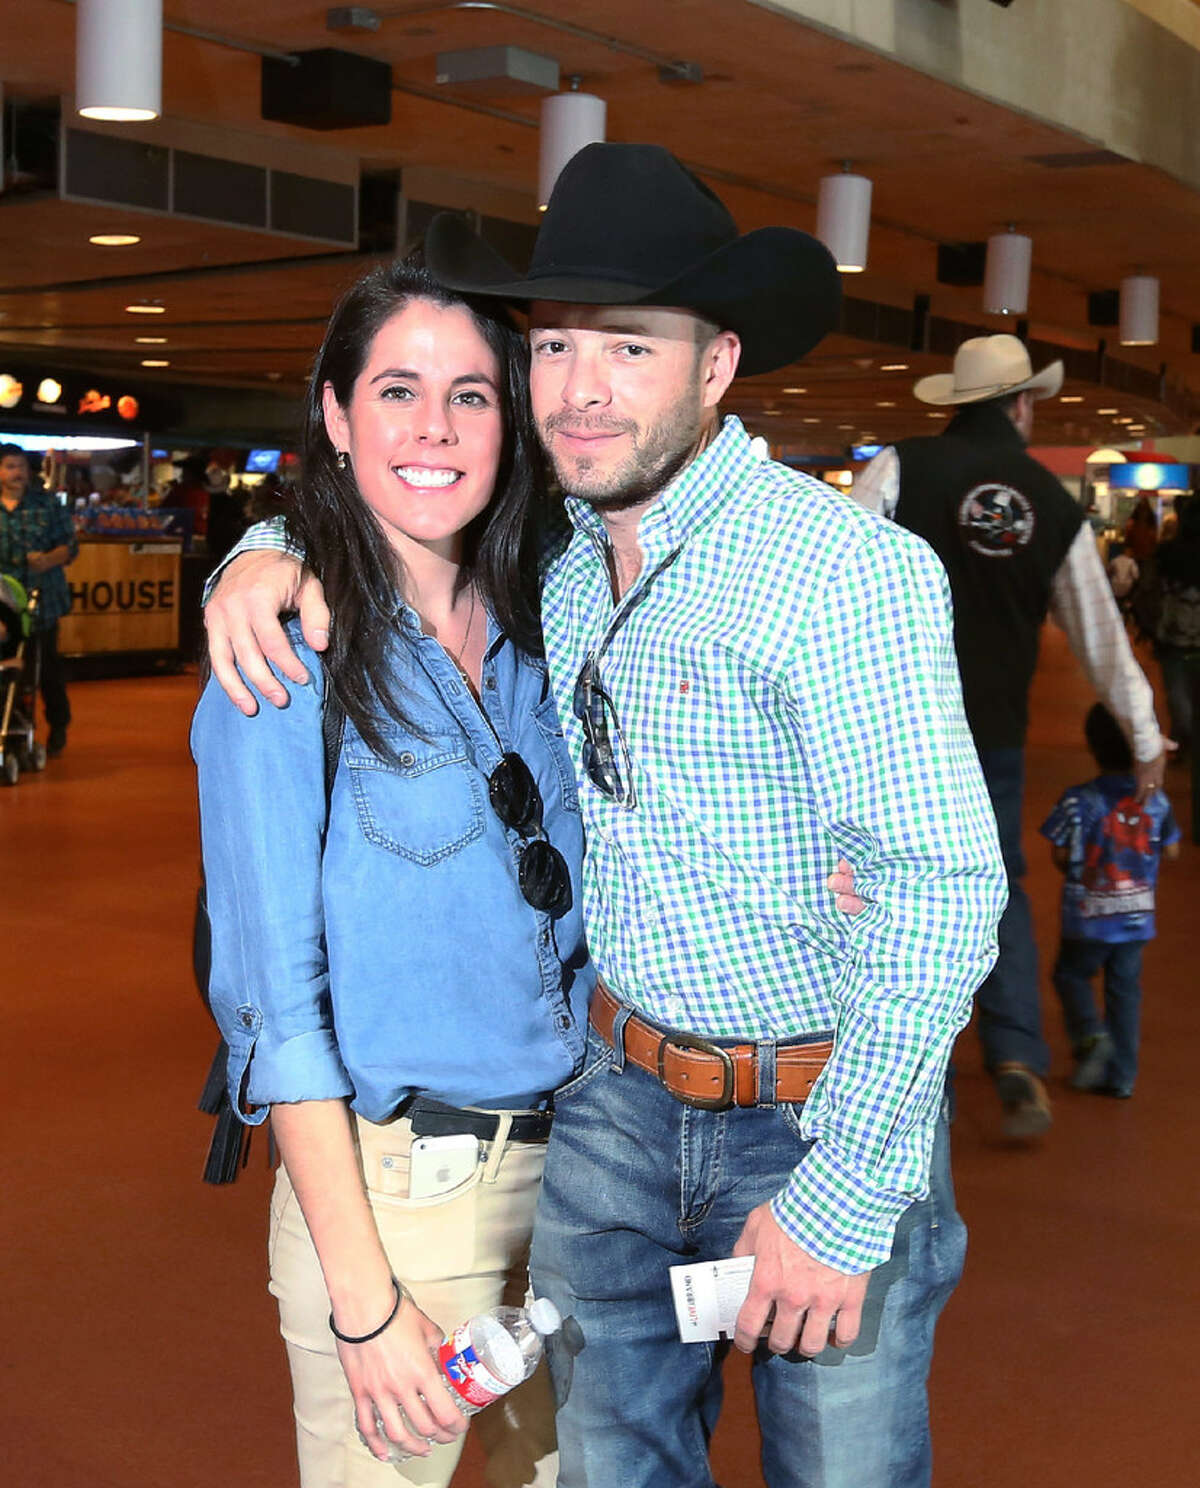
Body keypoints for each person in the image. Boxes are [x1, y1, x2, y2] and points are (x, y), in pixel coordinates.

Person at [202, 144, 1006, 1488]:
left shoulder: (839, 570)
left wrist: (847, 1192)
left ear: (718, 365)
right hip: (614, 1120)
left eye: (629, 348)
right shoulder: (561, 573)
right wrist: (270, 547)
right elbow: (394, 517)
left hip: (810, 1111)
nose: (580, 388)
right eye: (557, 344)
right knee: (610, 1470)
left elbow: (941, 893)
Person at [192, 257, 594, 1488]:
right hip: (401, 1198)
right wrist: (364, 1307)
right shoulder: (282, 658)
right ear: (335, 414)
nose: (434, 428)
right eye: (397, 391)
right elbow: (274, 1012)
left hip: (584, 1178)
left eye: (471, 395)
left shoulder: (554, 617)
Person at [853, 336, 1167, 1140]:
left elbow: (837, 584)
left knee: (876, 884)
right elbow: (1099, 637)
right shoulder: (1051, 503)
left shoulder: (900, 467)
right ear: (1023, 406)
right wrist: (1145, 739)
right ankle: (1017, 1053)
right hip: (989, 735)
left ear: (956, 403)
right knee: (997, 887)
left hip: (888, 731)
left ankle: (888, 1064)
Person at [1041, 703, 1180, 1098]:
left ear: (1091, 745)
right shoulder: (1155, 800)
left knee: (1070, 975)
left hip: (1087, 916)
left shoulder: (1077, 799)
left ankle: (1090, 1036)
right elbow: (1169, 851)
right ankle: (1122, 1077)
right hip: (1136, 918)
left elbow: (1062, 854)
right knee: (1124, 992)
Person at [0, 443, 78, 756]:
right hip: (3, 601)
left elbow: (69, 547)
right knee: (7, 667)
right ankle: (13, 725)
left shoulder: (46, 504)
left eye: (20, 466)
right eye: (9, 466)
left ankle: (58, 724)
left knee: (45, 668)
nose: (16, 472)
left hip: (41, 597)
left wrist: (47, 560)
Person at [1149, 497, 1200, 755]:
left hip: (1172, 635)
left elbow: (1152, 592)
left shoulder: (1167, 552)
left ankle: (1182, 738)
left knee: (1177, 696)